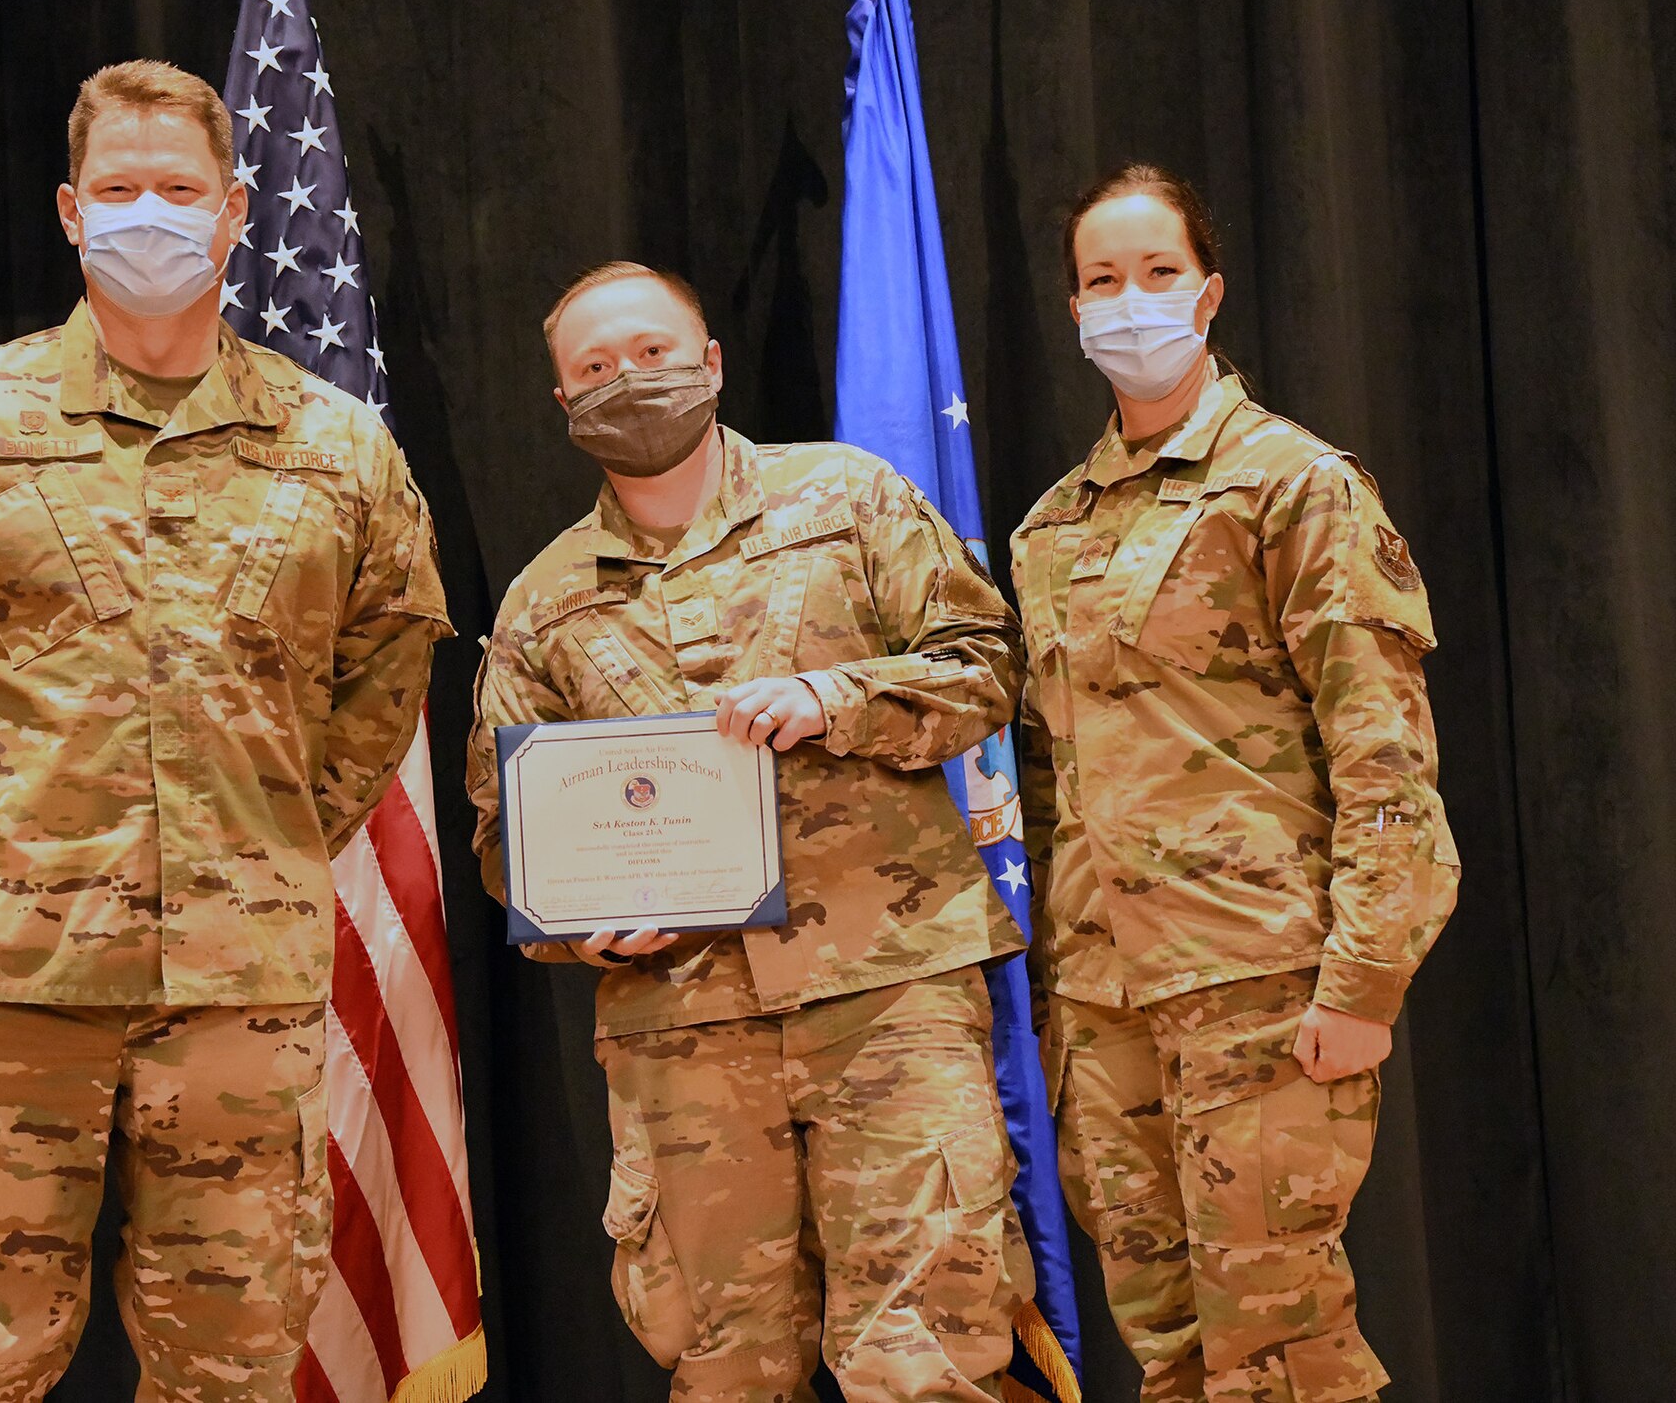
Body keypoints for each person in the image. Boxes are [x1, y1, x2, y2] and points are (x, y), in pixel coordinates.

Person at [0, 59, 451, 1400]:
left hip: (236, 995)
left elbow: (386, 670)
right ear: (72, 212)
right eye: (122, 187)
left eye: (180, 188)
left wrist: (256, 841)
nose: (152, 212)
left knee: (237, 1369)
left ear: (236, 208)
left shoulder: (339, 448)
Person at [465, 263, 1037, 1401]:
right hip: (681, 1038)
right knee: (725, 1369)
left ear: (712, 363)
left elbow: (986, 670)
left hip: (887, 1000)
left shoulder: (850, 499)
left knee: (923, 1362)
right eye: (592, 367)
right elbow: (503, 839)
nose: (624, 378)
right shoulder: (539, 605)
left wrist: (840, 699)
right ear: (560, 403)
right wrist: (586, 933)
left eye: (649, 352)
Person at [1010, 164, 1460, 1403]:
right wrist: (1058, 995)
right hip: (1105, 997)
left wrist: (1365, 975)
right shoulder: (1050, 527)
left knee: (1282, 1343)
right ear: (1072, 311)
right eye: (1101, 280)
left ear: (1206, 295)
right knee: (1168, 1344)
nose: (1129, 301)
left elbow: (1382, 751)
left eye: (1157, 274)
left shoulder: (1291, 483)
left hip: (1257, 977)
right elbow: (1047, 775)